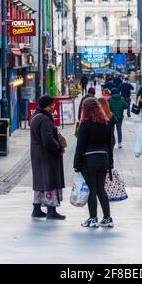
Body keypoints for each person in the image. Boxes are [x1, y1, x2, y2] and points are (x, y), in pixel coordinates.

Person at [74, 98, 114, 228]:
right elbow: (110, 144)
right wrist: (110, 162)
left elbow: (80, 146)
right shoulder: (105, 123)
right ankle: (107, 218)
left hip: (89, 160)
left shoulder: (85, 125)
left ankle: (93, 219)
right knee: (101, 189)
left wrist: (77, 164)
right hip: (103, 159)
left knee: (92, 189)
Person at [30, 95, 66, 220]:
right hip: (46, 156)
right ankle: (51, 210)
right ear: (45, 106)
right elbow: (48, 140)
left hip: (37, 154)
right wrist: (59, 148)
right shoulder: (45, 119)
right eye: (51, 105)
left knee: (40, 180)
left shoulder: (35, 116)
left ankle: (36, 208)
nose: (53, 107)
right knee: (49, 180)